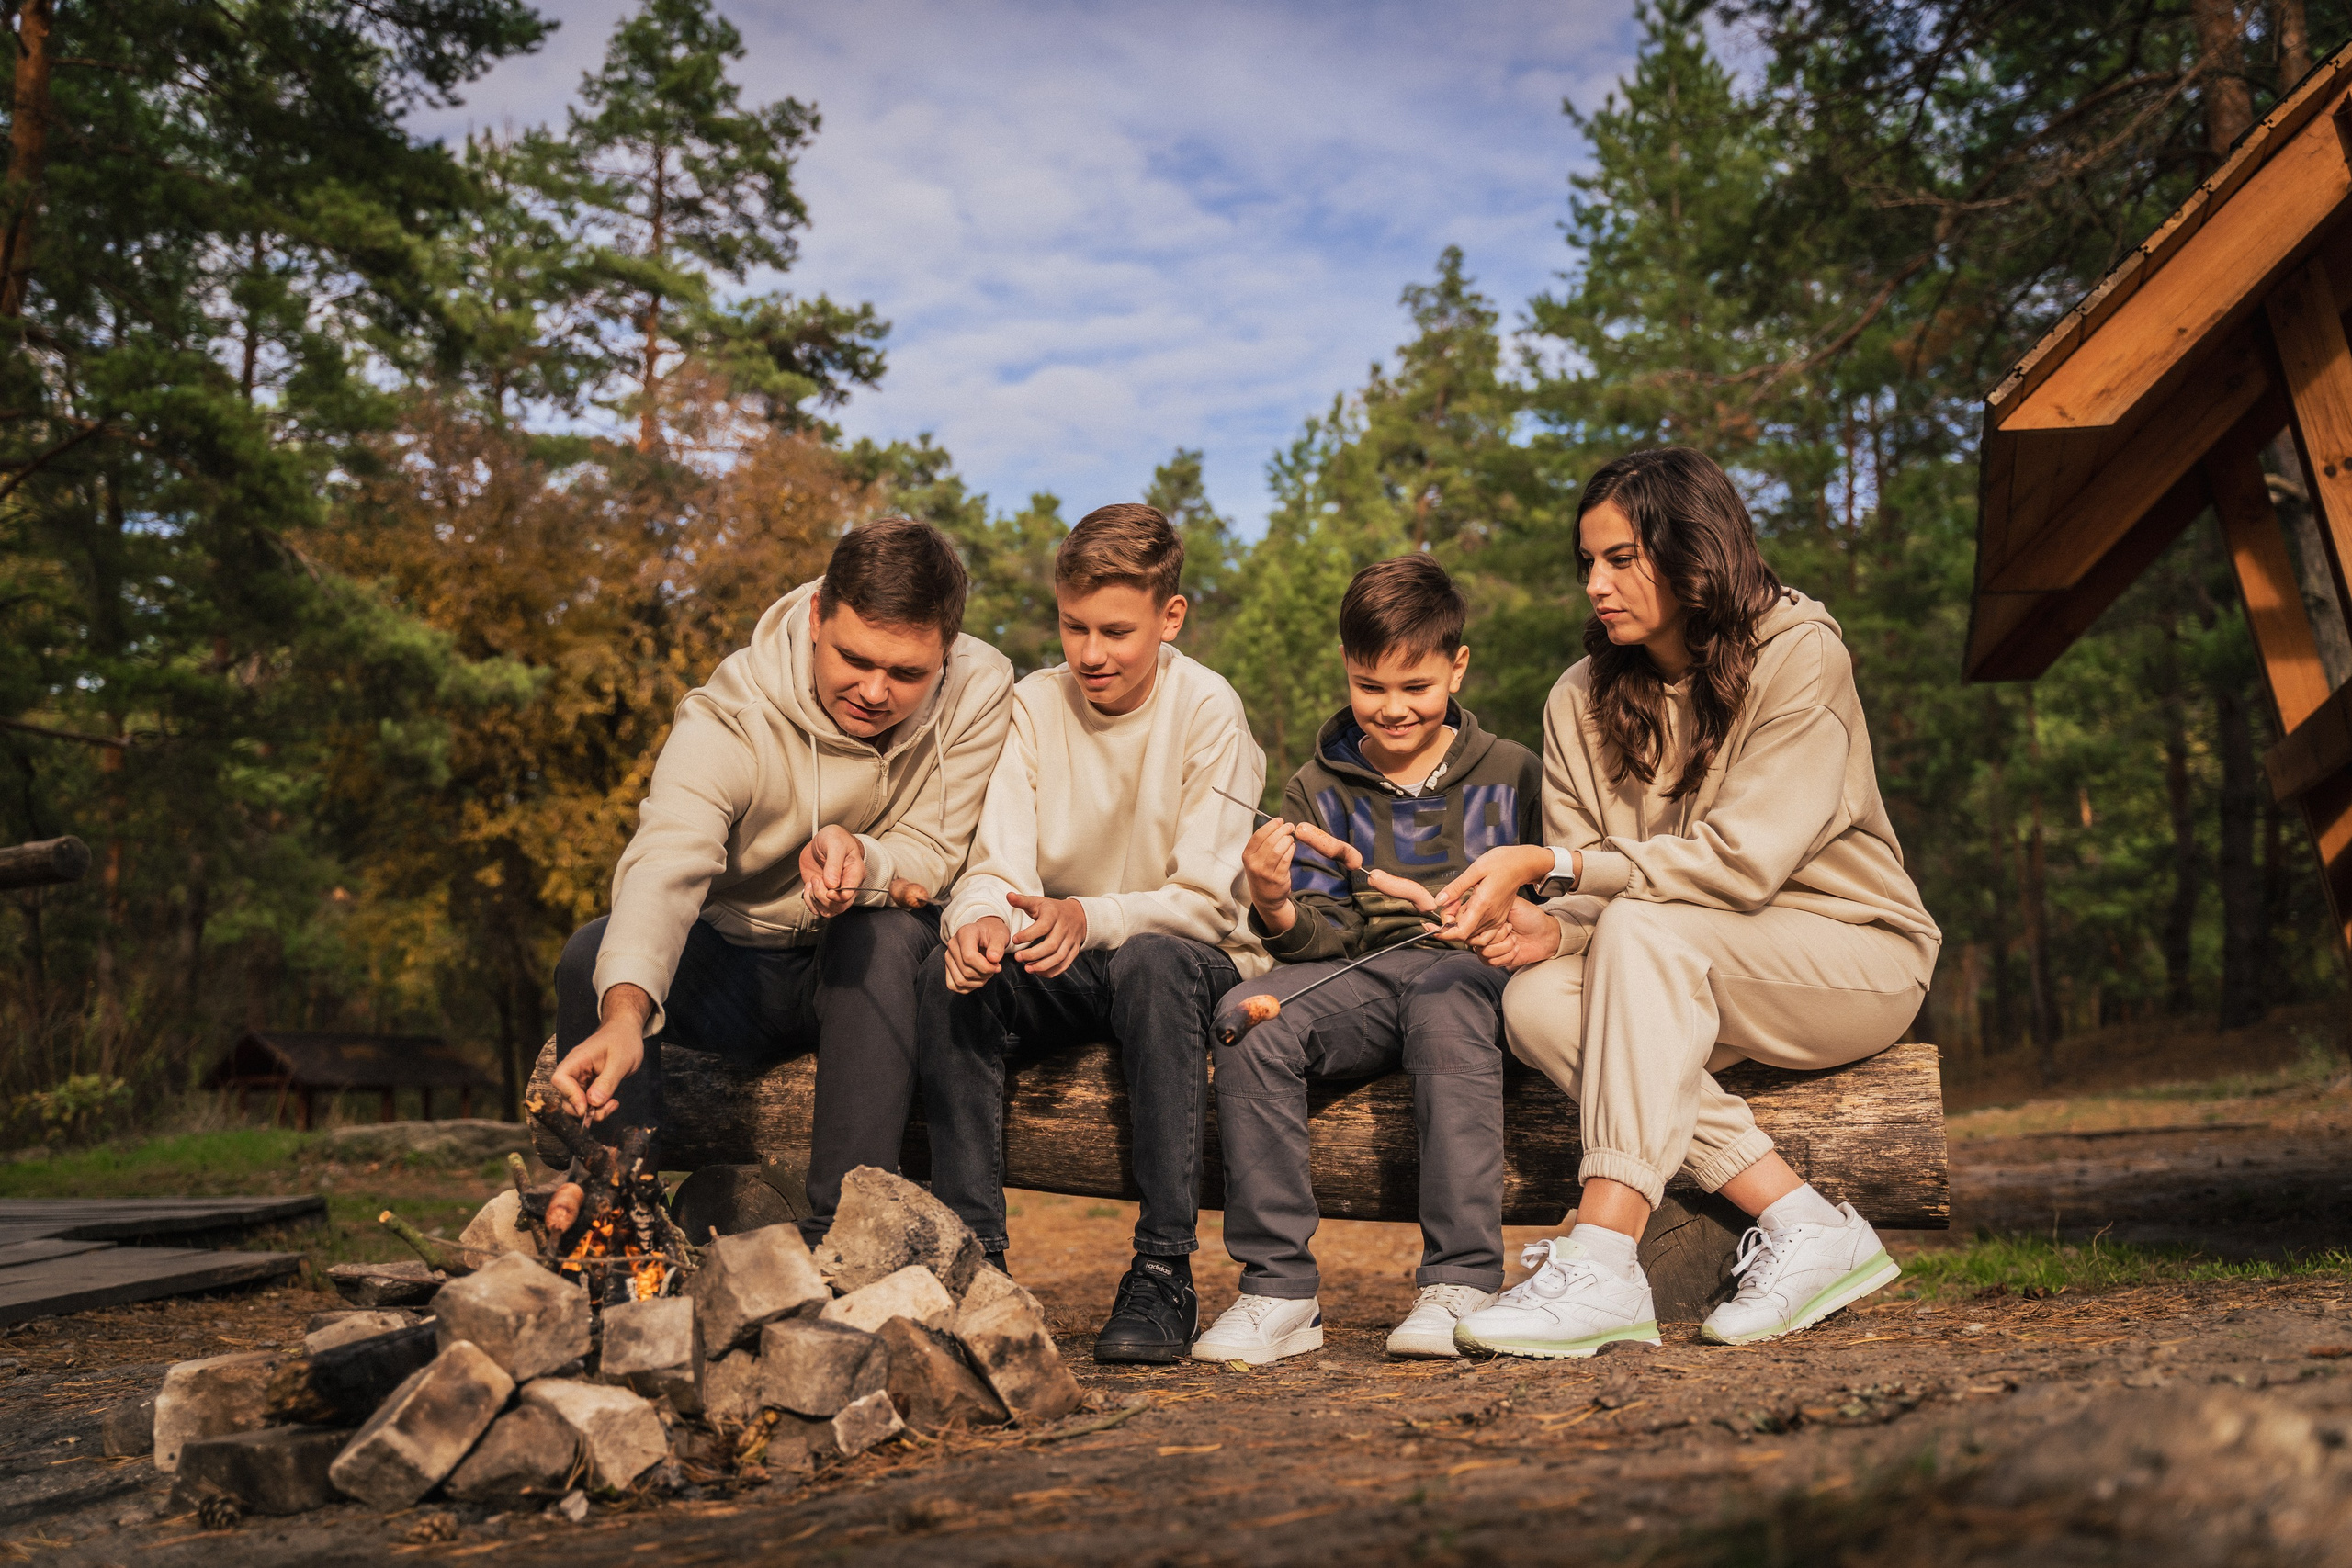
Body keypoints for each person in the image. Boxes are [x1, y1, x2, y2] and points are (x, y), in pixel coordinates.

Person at [1438, 446, 1941, 1357]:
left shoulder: (1800, 651)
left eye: (1621, 558)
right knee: (1539, 1001)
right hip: (1686, 961)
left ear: (1693, 550)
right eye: (1586, 563)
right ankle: (1802, 1222)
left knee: (1642, 932)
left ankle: (1603, 1256)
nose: (1595, 583)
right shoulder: (1577, 699)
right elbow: (1609, 909)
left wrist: (1557, 864)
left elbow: (1740, 865)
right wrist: (1547, 925)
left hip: (1852, 953)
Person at [545, 517, 1014, 1243]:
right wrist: (626, 1014)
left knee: (884, 933)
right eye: (854, 658)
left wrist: (868, 862)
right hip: (737, 969)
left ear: (946, 654)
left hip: (866, 976)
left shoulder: (982, 687)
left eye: (908, 673)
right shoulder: (729, 718)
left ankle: (843, 1237)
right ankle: (619, 1224)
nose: (875, 690)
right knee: (592, 956)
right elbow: (666, 862)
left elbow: (936, 847)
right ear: (816, 615)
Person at [919, 502, 1267, 1364]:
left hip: (1182, 957)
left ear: (1170, 617)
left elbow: (1208, 903)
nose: (1091, 653)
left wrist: (1092, 916)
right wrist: (980, 924)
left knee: (1150, 961)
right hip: (1063, 953)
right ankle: (980, 1267)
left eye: (1116, 630)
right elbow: (995, 864)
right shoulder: (1031, 707)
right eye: (1073, 627)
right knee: (950, 973)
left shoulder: (1210, 711)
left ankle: (1163, 1270)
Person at [1193, 555, 1543, 1366]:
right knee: (1247, 1021)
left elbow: (1553, 895)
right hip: (1369, 977)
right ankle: (1277, 1289)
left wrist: (1512, 923)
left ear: (1457, 666)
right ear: (1345, 669)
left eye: (1415, 687)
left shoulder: (1515, 772)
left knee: (1444, 999)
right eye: (1368, 685)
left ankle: (1461, 1277)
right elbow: (1322, 938)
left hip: (1478, 974)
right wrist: (1275, 901)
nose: (1392, 709)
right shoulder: (1316, 788)